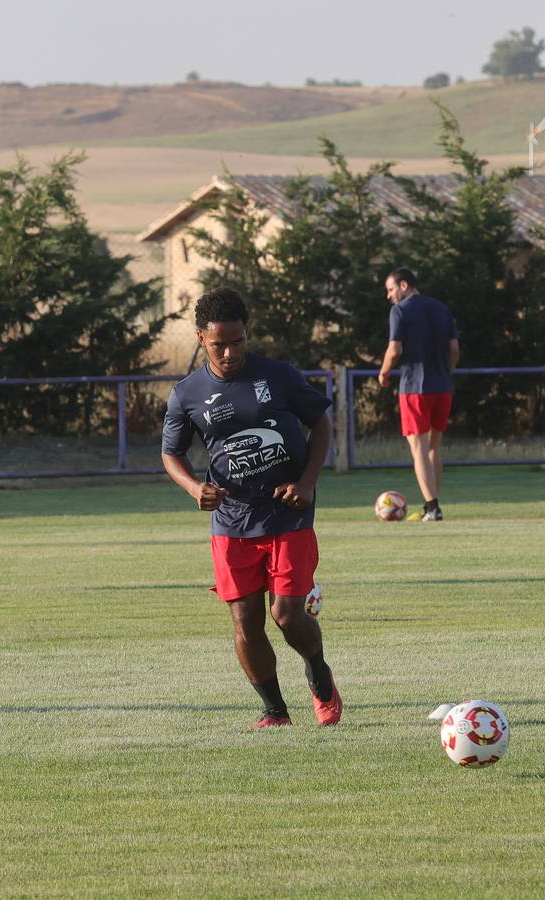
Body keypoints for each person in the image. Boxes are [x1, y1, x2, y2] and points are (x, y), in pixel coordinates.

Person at [161, 287, 342, 728]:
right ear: (201, 338)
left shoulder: (276, 375)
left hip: (288, 512)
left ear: (247, 334)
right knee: (245, 621)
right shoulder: (186, 394)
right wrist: (192, 488)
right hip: (231, 520)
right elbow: (171, 454)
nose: (229, 352)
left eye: (237, 340)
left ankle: (319, 675)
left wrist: (307, 481)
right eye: (219, 343)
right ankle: (275, 711)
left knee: (286, 614)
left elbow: (320, 422)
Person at [378, 267, 460, 522]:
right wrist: (447, 372)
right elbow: (454, 348)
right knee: (434, 448)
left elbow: (394, 350)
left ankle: (432, 507)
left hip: (415, 388)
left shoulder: (400, 310)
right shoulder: (441, 308)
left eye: (390, 290)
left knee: (419, 450)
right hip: (443, 387)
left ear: (403, 285)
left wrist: (383, 373)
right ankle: (432, 505)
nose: (389, 296)